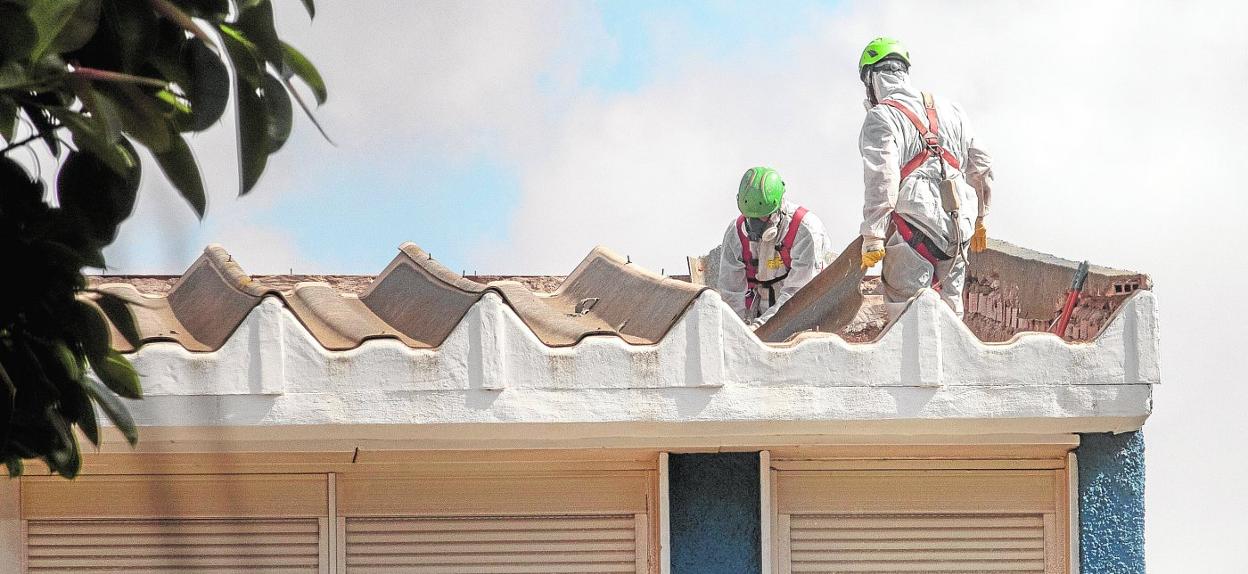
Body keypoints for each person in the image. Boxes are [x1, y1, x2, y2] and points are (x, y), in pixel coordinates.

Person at [856, 37, 994, 319]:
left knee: (906, 317)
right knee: (951, 315)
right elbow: (982, 166)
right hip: (959, 230)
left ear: (872, 78)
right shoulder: (951, 109)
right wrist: (980, 216)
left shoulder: (882, 116)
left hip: (914, 229)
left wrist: (874, 234)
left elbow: (883, 176)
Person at [717, 167, 834, 328]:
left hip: (805, 316)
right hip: (758, 314)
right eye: (750, 217)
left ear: (778, 208)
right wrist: (739, 330)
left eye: (762, 217)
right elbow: (731, 293)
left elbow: (797, 295)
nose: (754, 225)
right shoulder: (736, 233)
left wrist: (761, 328)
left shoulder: (804, 230)